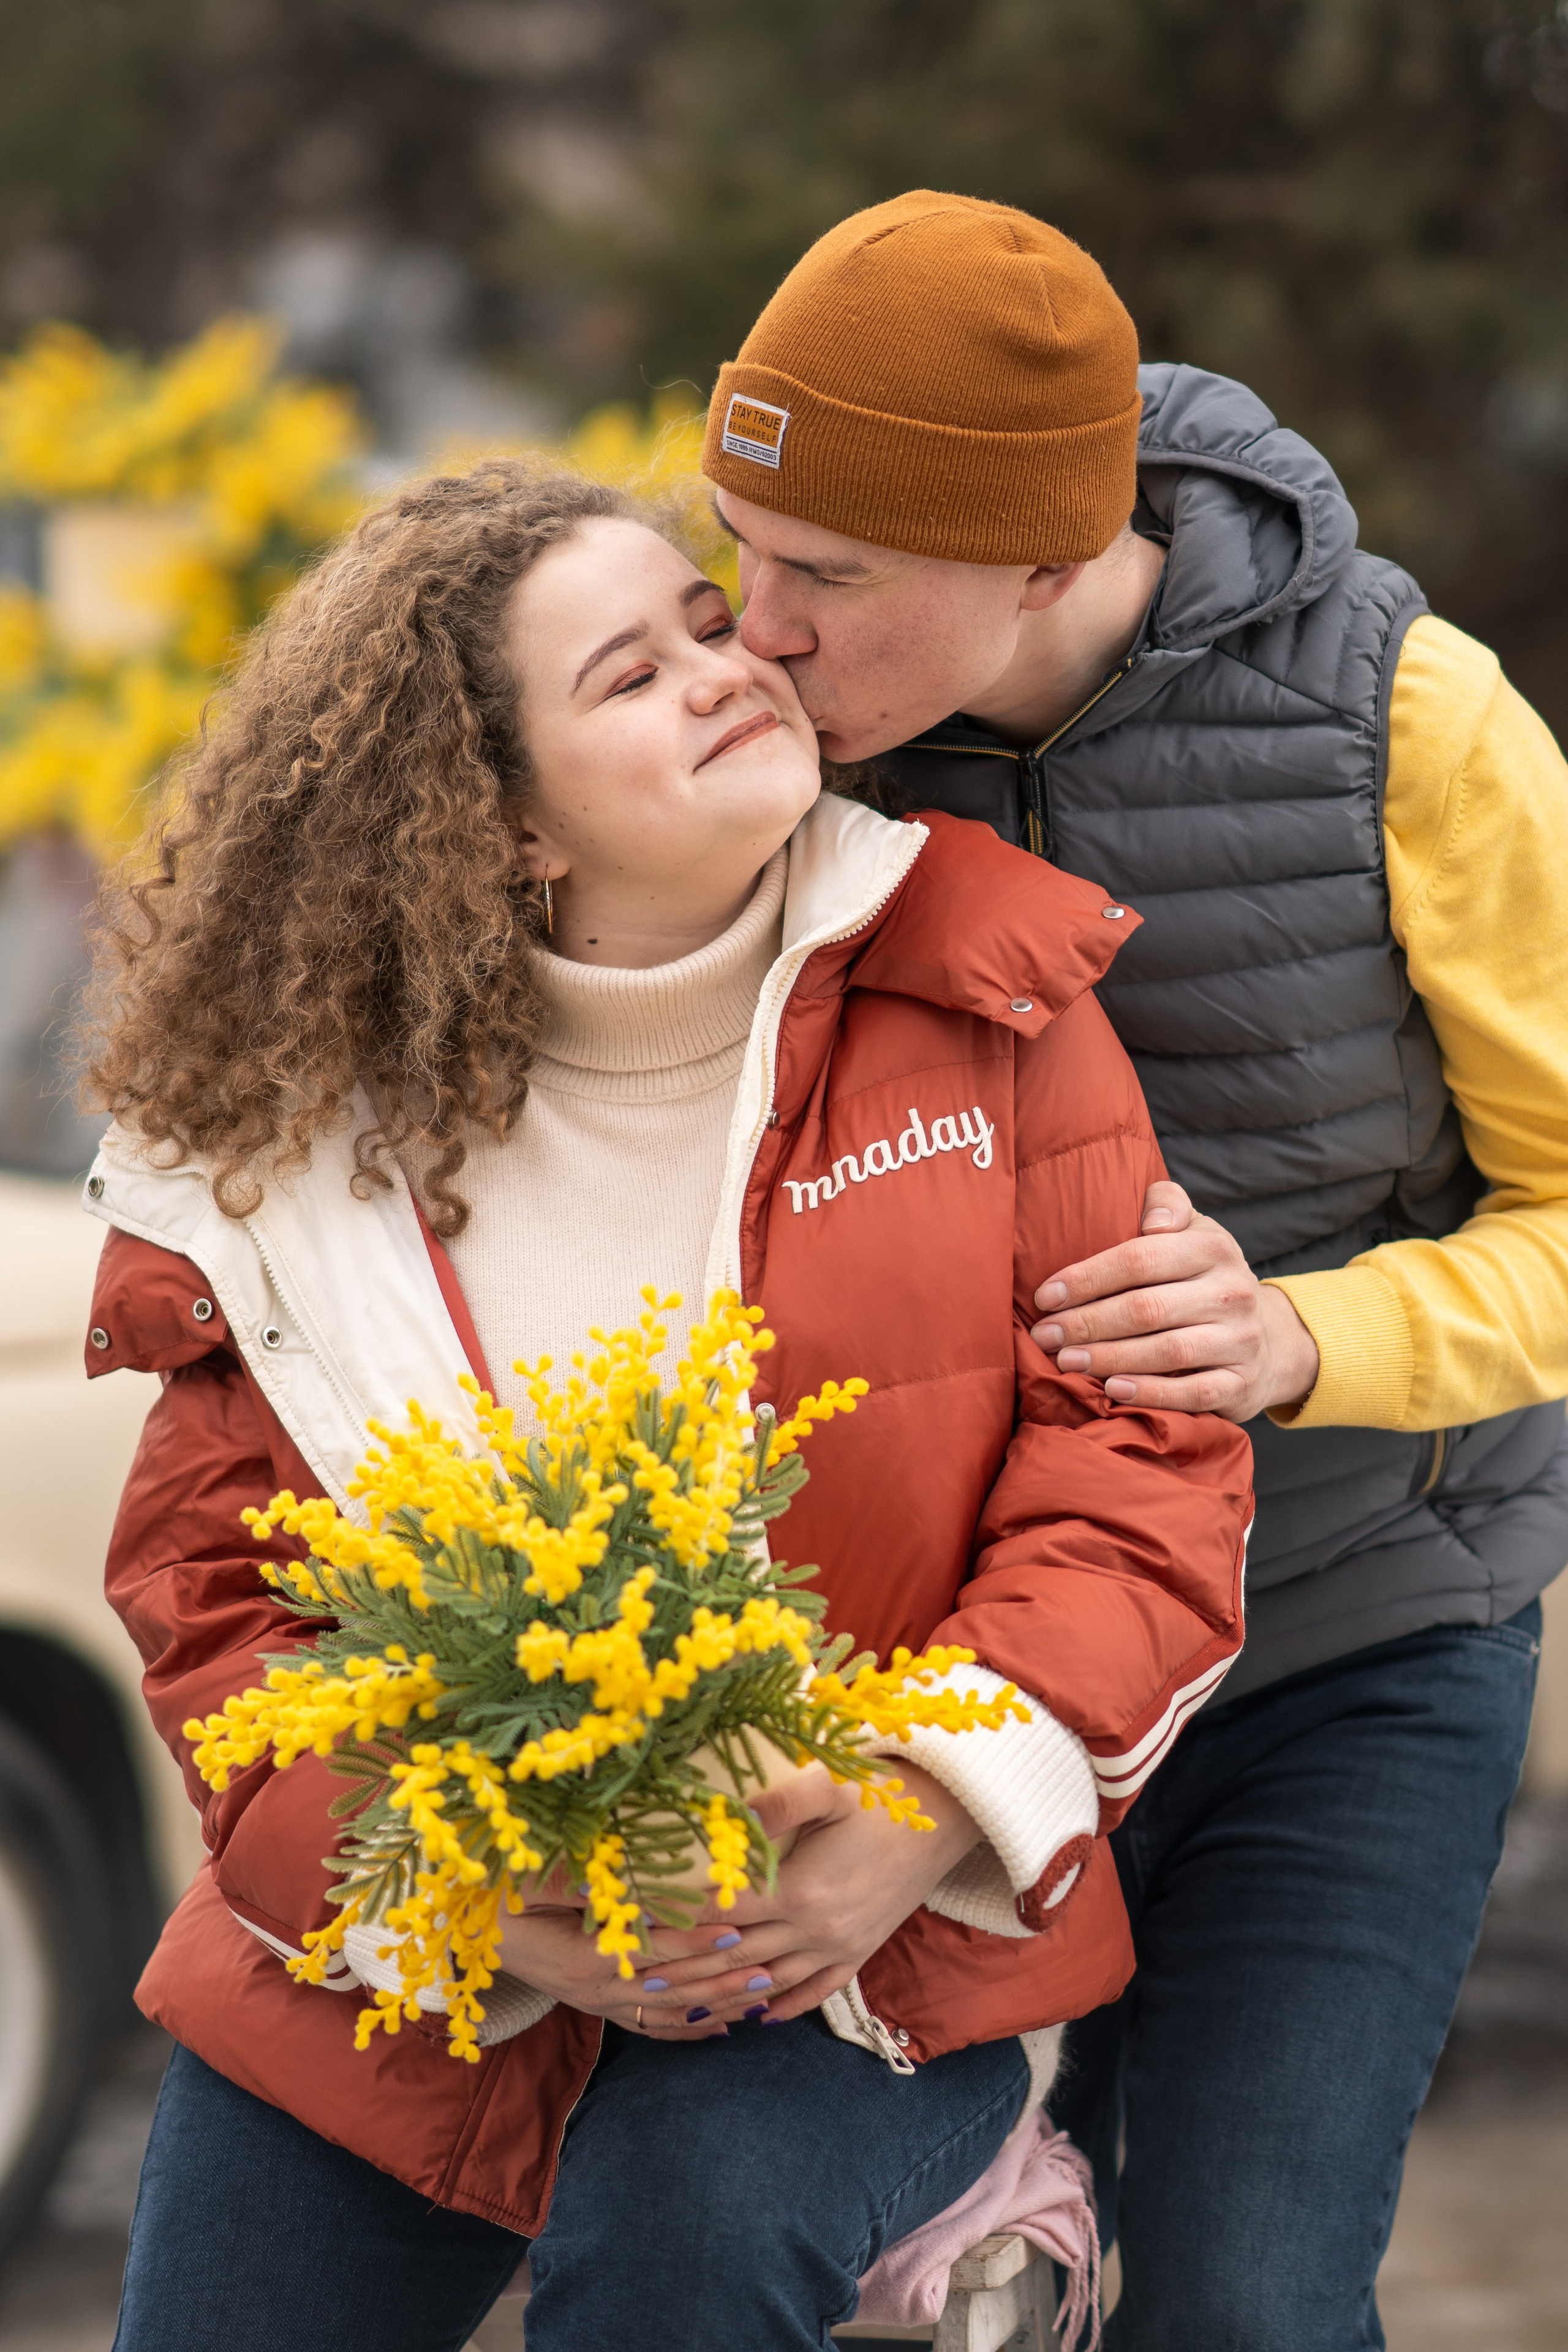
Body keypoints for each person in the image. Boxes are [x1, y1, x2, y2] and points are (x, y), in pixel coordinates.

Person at [80, 459, 1251, 2352]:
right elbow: (215, 1602)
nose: (726, 666)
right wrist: (462, 1899)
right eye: (626, 679)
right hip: (431, 1942)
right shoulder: (294, 1150)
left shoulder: (986, 980)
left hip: (860, 1947)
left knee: (678, 2255)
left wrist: (919, 1806)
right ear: (504, 826)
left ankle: (979, 2189)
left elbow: (1141, 1476)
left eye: (706, 625)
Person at [699, 189, 1568, 2348]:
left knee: (1242, 2302)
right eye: (738, 544)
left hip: (1346, 1640)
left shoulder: (1416, 724)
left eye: (824, 576)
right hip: (932, 1677)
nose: (755, 627)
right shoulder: (765, 748)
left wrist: (1307, 1337)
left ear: (1045, 561)